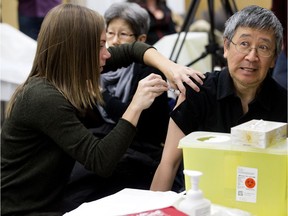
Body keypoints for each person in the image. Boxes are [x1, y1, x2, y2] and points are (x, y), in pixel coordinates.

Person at [1, 3, 204, 216]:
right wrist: (136, 105)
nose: (107, 54)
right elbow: (101, 161)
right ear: (76, 49)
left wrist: (172, 68)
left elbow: (132, 50)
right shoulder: (43, 97)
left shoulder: (68, 71)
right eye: (100, 45)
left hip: (50, 202)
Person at [150, 5, 287, 192]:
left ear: (274, 59)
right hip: (202, 199)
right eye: (244, 44)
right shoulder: (197, 91)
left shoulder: (284, 102)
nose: (252, 57)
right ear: (226, 47)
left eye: (263, 47)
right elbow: (169, 164)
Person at [67, 2, 175, 200]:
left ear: (140, 39)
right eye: (110, 33)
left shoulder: (149, 72)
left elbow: (140, 123)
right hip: (105, 140)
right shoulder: (100, 66)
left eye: (123, 34)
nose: (114, 41)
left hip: (139, 148)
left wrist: (101, 96)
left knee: (83, 184)